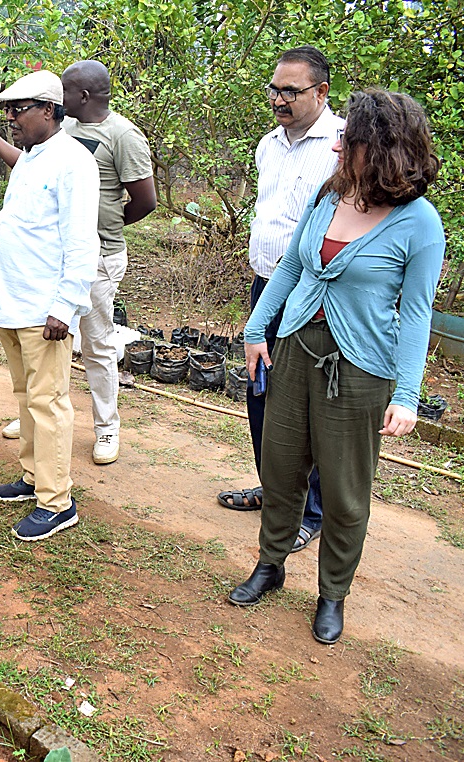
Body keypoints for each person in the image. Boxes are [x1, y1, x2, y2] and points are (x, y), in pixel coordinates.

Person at [228, 88, 444, 645]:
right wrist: (257, 328)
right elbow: (291, 267)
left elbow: (417, 314)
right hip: (295, 349)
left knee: (345, 492)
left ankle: (332, 594)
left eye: (350, 139)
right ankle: (270, 564)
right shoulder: (329, 195)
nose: (336, 146)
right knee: (280, 469)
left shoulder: (419, 222)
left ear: (385, 148)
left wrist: (407, 394)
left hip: (360, 368)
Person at [0, 61, 157, 463]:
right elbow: (32, 169)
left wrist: (102, 224)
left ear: (83, 96)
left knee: (95, 344)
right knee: (45, 358)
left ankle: (106, 427)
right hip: (55, 257)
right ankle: (36, 418)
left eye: (66, 88)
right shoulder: (60, 133)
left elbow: (145, 201)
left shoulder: (122, 135)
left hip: (97, 254)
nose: (59, 93)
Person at [216, 46, 343, 554]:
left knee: (306, 404)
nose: (278, 99)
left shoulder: (342, 145)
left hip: (313, 297)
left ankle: (310, 511)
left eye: (291, 91)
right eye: (274, 89)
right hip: (265, 286)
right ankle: (275, 490)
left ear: (322, 92)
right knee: (260, 390)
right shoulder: (269, 145)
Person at [0, 70, 99, 541]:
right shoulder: (32, 156)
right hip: (15, 302)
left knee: (48, 402)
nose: (10, 119)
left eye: (18, 110)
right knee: (26, 396)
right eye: (8, 111)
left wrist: (64, 307)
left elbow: (81, 242)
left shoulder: (73, 162)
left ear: (48, 110)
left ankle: (56, 501)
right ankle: (33, 476)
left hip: (45, 308)